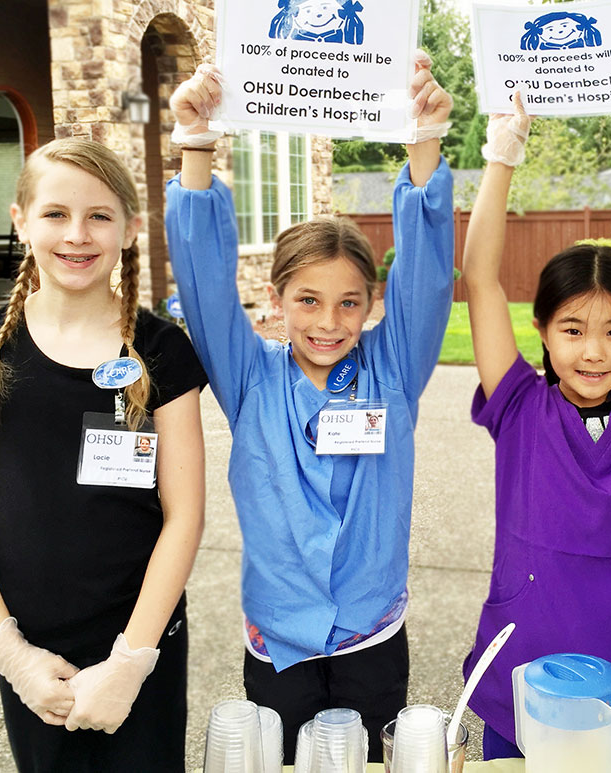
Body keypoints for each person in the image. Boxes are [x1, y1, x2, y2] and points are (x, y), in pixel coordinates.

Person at [165, 55, 453, 763]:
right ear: (276, 299)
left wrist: (425, 138)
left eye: (350, 301)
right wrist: (196, 141)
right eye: (309, 300)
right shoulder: (249, 377)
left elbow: (427, 274)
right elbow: (201, 282)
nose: (330, 320)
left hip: (372, 636)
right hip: (277, 642)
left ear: (371, 305)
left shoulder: (392, 367)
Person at [461, 81, 611, 771]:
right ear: (541, 329)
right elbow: (480, 277)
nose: (592, 350)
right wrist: (502, 152)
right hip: (531, 656)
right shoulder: (518, 404)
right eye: (571, 328)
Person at [0, 138, 206, 771]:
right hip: (30, 647)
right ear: (21, 219)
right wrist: (10, 653)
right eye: (56, 213)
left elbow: (184, 515)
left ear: (131, 229)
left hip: (139, 639)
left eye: (99, 216)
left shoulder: (161, 351)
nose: (77, 234)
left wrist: (131, 662)